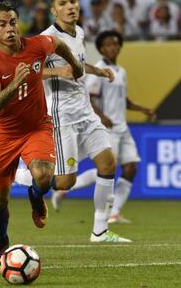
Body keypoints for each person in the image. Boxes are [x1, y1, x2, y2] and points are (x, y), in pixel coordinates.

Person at [14, 0, 131, 243]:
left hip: (86, 113)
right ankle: (18, 173)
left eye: (73, 2)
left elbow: (77, 63)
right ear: (54, 10)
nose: (70, 7)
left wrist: (97, 71)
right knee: (65, 183)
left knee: (108, 163)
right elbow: (26, 72)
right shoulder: (44, 39)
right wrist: (56, 72)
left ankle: (100, 230)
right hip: (61, 116)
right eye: (64, 4)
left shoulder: (79, 33)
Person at [0, 0, 83, 261]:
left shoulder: (36, 45)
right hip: (3, 134)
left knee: (44, 177)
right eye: (2, 24)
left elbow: (57, 44)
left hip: (37, 128)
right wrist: (15, 82)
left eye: (13, 22)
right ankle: (1, 240)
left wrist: (76, 67)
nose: (10, 28)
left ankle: (36, 197)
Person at [51, 30, 156, 224]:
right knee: (108, 167)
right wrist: (102, 116)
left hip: (122, 127)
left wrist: (143, 109)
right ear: (100, 48)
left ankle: (114, 213)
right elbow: (88, 96)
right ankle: (65, 188)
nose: (113, 47)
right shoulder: (97, 69)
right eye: (108, 44)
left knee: (131, 168)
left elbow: (122, 99)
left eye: (116, 44)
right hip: (106, 126)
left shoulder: (120, 71)